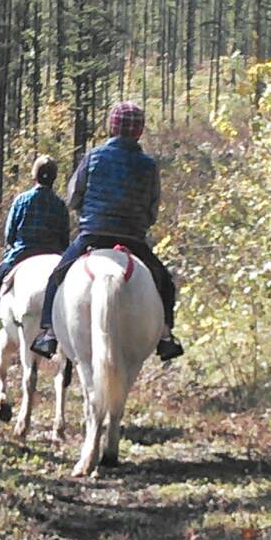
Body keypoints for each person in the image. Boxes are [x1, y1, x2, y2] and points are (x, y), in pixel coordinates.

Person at [29, 101, 184, 362]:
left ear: (111, 127)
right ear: (139, 131)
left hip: (93, 234)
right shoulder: (148, 165)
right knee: (165, 282)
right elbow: (152, 209)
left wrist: (87, 213)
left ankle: (49, 332)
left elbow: (74, 197)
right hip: (133, 239)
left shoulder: (94, 156)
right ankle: (166, 336)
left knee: (57, 275)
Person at [0, 154, 70, 344]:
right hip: (53, 254)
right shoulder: (60, 205)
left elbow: (10, 234)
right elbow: (64, 238)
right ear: (54, 177)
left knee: (0, 275)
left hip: (22, 253)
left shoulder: (22, 200)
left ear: (34, 175)